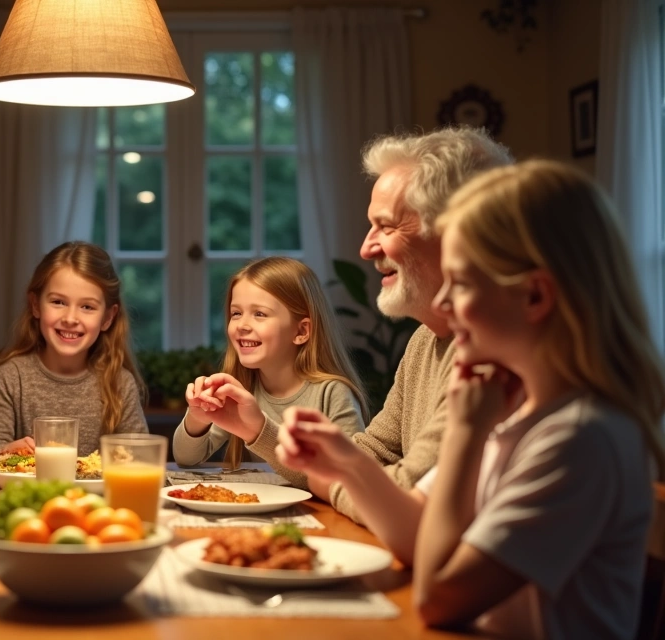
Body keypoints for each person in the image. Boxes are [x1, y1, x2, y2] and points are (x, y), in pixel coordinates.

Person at [277, 160, 665, 639]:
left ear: (534, 296)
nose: (442, 304)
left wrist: (465, 433)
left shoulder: (582, 438)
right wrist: (347, 463)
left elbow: (438, 599)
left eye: (460, 284)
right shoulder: (515, 408)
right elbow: (416, 533)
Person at [255, 126, 510, 523]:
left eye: (386, 226)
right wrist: (259, 429)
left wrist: (331, 482)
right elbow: (372, 455)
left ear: (455, 233)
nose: (366, 247)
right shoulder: (425, 338)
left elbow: (407, 498)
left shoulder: (491, 355)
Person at [173, 257, 368, 484]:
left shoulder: (333, 393)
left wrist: (260, 429)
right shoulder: (241, 388)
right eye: (236, 313)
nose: (242, 325)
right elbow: (185, 459)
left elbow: (351, 481)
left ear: (301, 331)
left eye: (260, 314)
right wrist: (197, 418)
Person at [0, 241, 148, 458]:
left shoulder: (120, 383)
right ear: (36, 305)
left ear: (108, 317)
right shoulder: (11, 378)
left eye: (87, 307)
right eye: (58, 302)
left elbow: (139, 455)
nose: (70, 318)